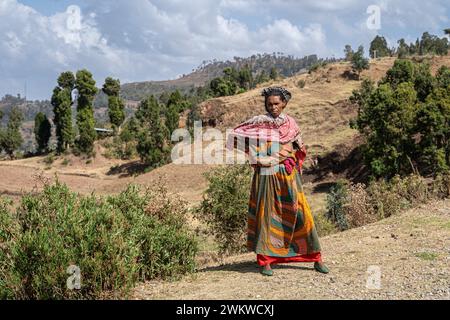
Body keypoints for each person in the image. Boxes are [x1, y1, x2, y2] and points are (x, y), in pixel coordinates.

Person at [226, 86, 329, 276]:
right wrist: (257, 157)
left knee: (300, 213)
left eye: (276, 103)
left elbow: (300, 146)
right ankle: (266, 261)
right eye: (269, 104)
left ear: (284, 103)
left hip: (288, 175)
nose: (273, 107)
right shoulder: (259, 122)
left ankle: (315, 257)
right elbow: (233, 137)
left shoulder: (291, 123)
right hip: (266, 175)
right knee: (267, 215)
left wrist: (289, 153)